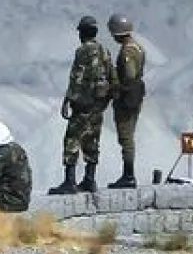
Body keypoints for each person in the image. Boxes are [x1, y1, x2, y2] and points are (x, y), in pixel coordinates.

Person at [48, 15, 113, 195]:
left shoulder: (82, 51)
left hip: (83, 104)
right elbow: (111, 76)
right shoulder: (105, 51)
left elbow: (76, 78)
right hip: (98, 105)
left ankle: (70, 182)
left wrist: (68, 100)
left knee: (72, 140)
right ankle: (90, 179)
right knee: (92, 141)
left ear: (83, 33)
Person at [107, 14, 146, 189]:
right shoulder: (138, 47)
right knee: (128, 135)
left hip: (127, 97)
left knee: (126, 137)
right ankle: (128, 174)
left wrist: (117, 87)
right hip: (135, 95)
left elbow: (129, 75)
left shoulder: (127, 51)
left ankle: (128, 175)